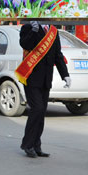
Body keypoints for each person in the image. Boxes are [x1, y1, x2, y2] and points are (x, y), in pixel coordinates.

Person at [17, 20, 69, 158]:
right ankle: (28, 144)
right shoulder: (28, 27)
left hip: (46, 78)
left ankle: (36, 145)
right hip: (31, 77)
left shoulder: (53, 31)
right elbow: (25, 44)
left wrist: (65, 75)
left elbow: (57, 55)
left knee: (41, 113)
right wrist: (34, 31)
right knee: (37, 109)